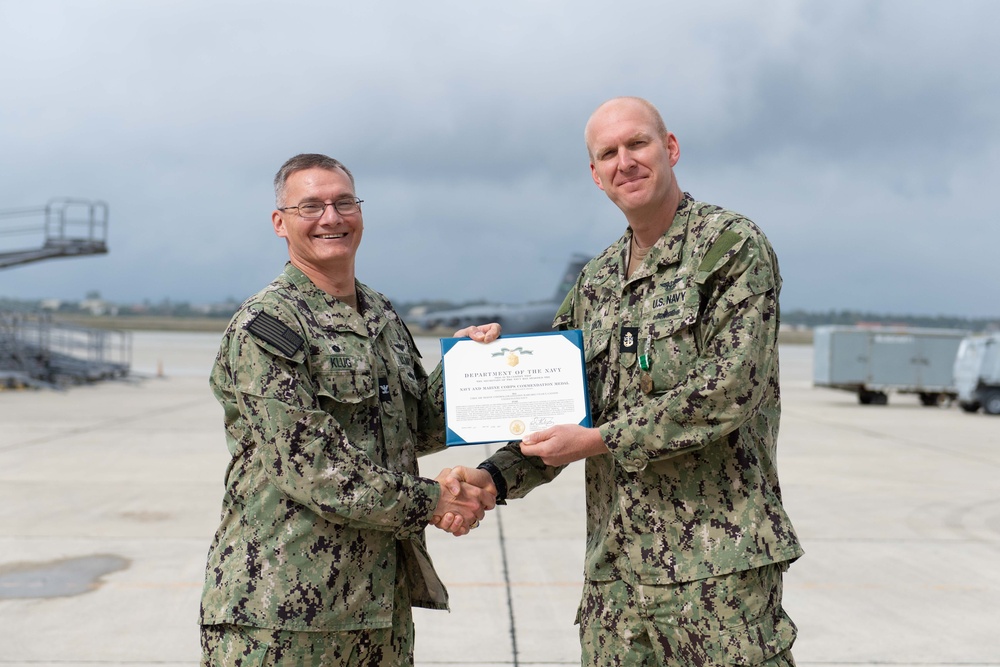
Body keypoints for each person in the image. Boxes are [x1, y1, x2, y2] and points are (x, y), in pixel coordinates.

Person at [442, 97, 804, 665]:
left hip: (717, 575)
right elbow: (558, 409)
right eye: (607, 153)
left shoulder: (729, 248)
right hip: (617, 581)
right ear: (595, 174)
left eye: (637, 144)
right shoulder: (597, 280)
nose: (624, 162)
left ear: (671, 148)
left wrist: (601, 441)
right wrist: (492, 477)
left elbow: (730, 387)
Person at [199, 153, 498, 665]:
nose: (331, 218)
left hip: (376, 608)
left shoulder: (379, 314)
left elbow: (416, 426)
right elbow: (314, 467)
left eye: (343, 203)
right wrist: (433, 502)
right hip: (282, 614)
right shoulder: (267, 327)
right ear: (280, 222)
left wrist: (471, 368)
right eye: (310, 206)